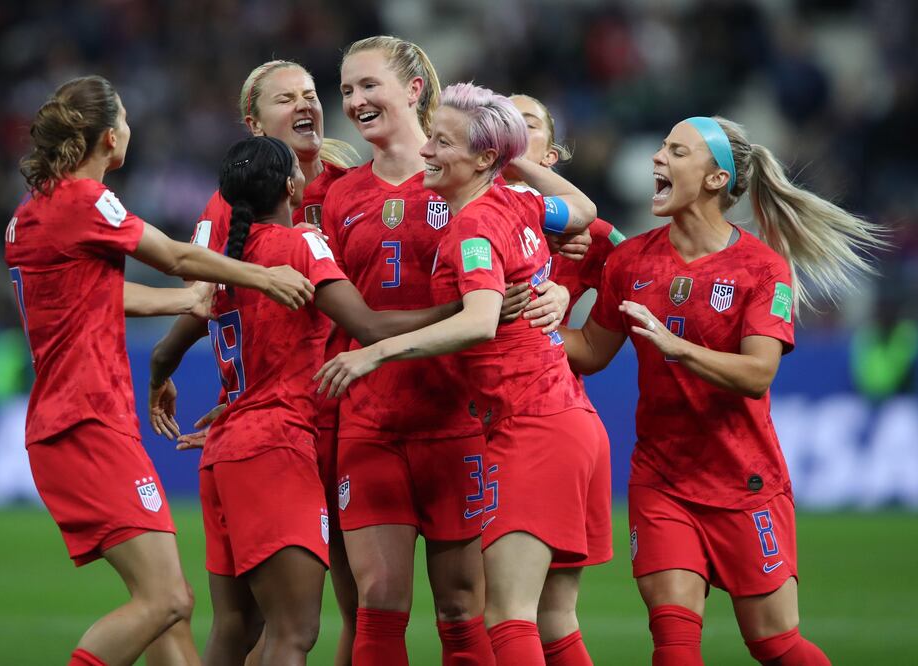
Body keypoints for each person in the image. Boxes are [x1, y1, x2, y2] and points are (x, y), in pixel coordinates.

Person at [4, 76, 314, 666]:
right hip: (87, 420)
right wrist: (260, 276)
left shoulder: (32, 214)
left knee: (170, 615)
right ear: (107, 136)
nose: (130, 128)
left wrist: (189, 302)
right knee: (167, 599)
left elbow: (98, 297)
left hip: (69, 422)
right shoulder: (85, 200)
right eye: (123, 117)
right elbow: (172, 255)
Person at [561, 116, 884, 665]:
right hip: (662, 479)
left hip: (746, 480)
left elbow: (758, 373)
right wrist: (518, 319)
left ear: (715, 179)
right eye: (660, 147)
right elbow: (591, 350)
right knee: (674, 638)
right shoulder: (630, 260)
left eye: (676, 151)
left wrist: (674, 345)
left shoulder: (762, 268)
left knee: (775, 644)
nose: (657, 158)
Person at [316, 82, 609, 666]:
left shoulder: (474, 225)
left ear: (481, 159)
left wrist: (372, 353)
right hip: (559, 418)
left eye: (442, 142)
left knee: (510, 617)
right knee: (547, 618)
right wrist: (506, 156)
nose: (426, 151)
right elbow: (583, 209)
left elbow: (479, 321)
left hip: (532, 424)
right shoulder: (522, 204)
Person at [150, 59, 361, 666]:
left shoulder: (352, 175)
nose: (306, 105)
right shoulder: (236, 207)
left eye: (311, 94)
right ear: (252, 122)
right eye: (285, 99)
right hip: (290, 427)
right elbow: (205, 294)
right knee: (295, 623)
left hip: (328, 420)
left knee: (352, 605)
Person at [508, 94, 625, 324]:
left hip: (541, 357)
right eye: (503, 122)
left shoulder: (585, 232)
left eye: (528, 124)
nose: (512, 131)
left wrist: (563, 297)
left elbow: (642, 275)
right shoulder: (453, 207)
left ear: (550, 156)